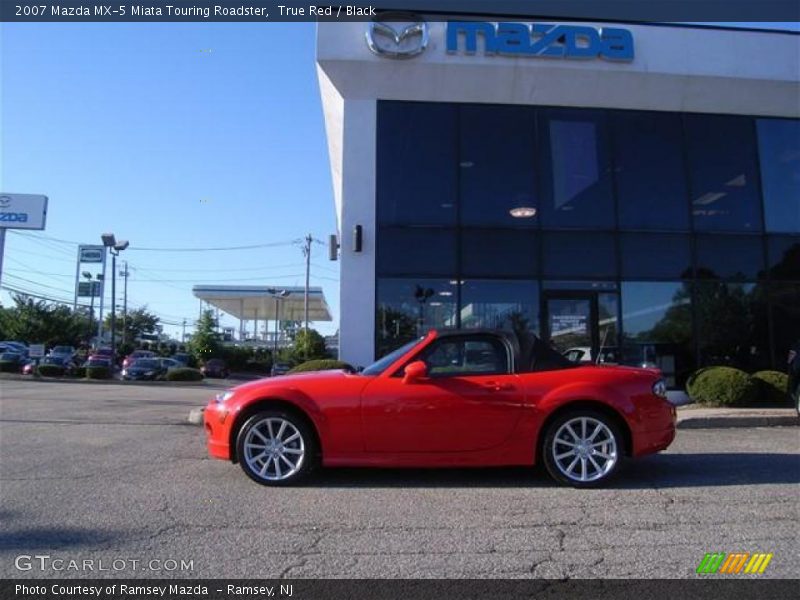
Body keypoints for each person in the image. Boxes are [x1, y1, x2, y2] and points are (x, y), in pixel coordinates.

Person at [788, 339, 800, 415]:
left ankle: (798, 408)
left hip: (796, 369)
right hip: (797, 368)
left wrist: (789, 367)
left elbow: (790, 358)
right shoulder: (796, 344)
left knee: (795, 389)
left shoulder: (796, 344)